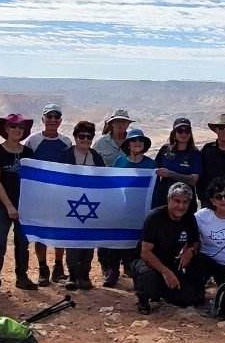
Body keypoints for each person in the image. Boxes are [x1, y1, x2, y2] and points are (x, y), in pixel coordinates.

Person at [132, 183, 208, 315]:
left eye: (185, 202)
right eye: (177, 201)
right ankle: (144, 299)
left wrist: (190, 251)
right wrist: (166, 272)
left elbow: (195, 242)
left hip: (170, 262)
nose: (181, 206)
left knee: (188, 299)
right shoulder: (155, 216)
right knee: (149, 277)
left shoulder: (189, 218)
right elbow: (145, 252)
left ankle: (165, 290)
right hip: (147, 262)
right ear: (169, 200)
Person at [0, 114, 38, 300]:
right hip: (2, 206)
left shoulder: (28, 154)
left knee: (22, 244)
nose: (17, 129)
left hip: (25, 207)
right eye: (13, 126)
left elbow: (33, 181)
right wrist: (9, 206)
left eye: (21, 127)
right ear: (6, 129)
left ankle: (22, 277)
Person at [24, 104, 72, 285]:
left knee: (60, 230)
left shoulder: (66, 142)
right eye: (49, 117)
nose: (53, 120)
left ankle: (58, 267)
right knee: (41, 232)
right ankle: (42, 268)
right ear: (43, 119)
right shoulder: (32, 141)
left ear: (60, 120)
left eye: (56, 117)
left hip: (61, 194)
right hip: (39, 195)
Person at [106, 128, 158, 287]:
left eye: (140, 141)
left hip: (142, 211)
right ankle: (112, 271)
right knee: (115, 241)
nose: (137, 143)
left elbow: (155, 189)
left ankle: (136, 275)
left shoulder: (151, 165)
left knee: (137, 245)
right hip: (122, 209)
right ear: (128, 144)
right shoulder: (119, 161)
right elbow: (112, 185)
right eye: (134, 140)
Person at [59, 121, 105, 290]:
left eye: (89, 136)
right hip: (70, 204)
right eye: (81, 136)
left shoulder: (96, 157)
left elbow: (103, 180)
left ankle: (85, 273)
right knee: (72, 239)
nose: (85, 140)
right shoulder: (65, 155)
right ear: (75, 137)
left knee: (88, 239)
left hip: (91, 203)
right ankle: (72, 274)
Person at [94, 109, 134, 285]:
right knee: (105, 231)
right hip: (107, 195)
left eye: (123, 122)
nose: (120, 124)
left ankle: (128, 264)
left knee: (127, 228)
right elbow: (93, 168)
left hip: (129, 196)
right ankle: (106, 266)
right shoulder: (101, 144)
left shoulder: (134, 141)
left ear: (128, 124)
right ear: (111, 123)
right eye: (117, 121)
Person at [154, 117, 202, 211]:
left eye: (187, 131)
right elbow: (154, 171)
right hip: (166, 202)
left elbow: (193, 180)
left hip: (186, 204)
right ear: (174, 133)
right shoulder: (165, 151)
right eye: (180, 131)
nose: (183, 134)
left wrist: (170, 174)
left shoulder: (195, 154)